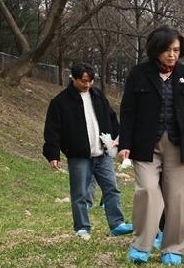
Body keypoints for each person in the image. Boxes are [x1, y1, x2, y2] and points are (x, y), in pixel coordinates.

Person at [118, 27, 184, 265]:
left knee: (178, 197)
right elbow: (127, 112)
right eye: (167, 50)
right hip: (145, 143)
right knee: (147, 190)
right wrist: (124, 144)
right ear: (155, 50)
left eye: (176, 50)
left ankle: (174, 248)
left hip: (178, 144)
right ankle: (141, 245)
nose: (172, 55)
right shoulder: (139, 74)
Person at [42, 62, 133, 240]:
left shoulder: (98, 96)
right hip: (79, 156)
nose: (88, 84)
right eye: (84, 81)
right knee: (80, 193)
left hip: (102, 154)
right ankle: (82, 228)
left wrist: (118, 139)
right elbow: (52, 130)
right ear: (73, 78)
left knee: (112, 189)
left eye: (91, 81)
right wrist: (53, 154)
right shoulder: (60, 102)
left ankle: (117, 224)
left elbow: (112, 119)